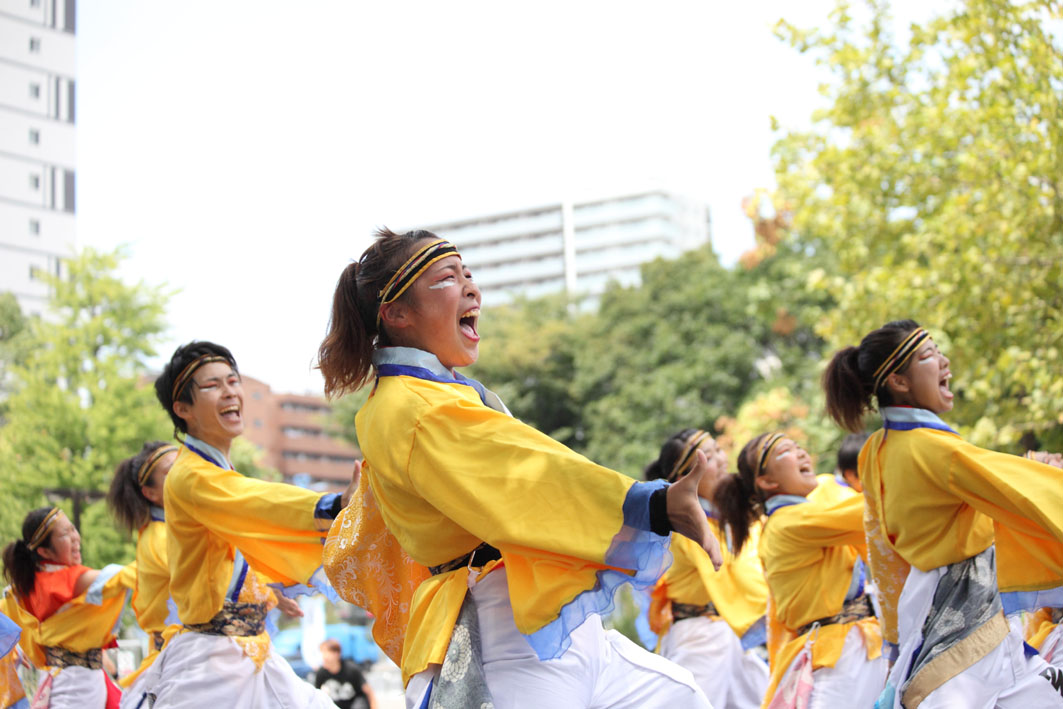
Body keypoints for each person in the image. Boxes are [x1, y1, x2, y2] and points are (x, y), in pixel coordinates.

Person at [318, 229, 718, 708]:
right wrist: (651, 503)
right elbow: (525, 472)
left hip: (544, 615)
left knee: (681, 696)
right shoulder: (409, 407)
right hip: (503, 630)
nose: (471, 288)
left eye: (468, 274)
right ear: (397, 313)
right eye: (448, 278)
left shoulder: (438, 396)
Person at [823, 319, 1063, 707]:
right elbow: (1022, 489)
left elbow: (882, 549)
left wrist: (895, 635)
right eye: (929, 355)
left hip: (922, 600)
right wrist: (1047, 469)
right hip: (963, 601)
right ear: (899, 381)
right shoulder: (934, 449)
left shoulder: (875, 450)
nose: (945, 361)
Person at [133, 341, 347, 708]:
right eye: (214, 385)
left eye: (233, 381)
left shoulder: (217, 475)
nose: (231, 391)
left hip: (251, 654)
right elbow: (257, 503)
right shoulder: (191, 476)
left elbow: (235, 551)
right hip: (211, 665)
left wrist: (267, 591)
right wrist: (333, 505)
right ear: (182, 408)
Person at [714, 433, 887, 708]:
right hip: (837, 656)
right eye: (786, 451)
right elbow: (869, 513)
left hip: (849, 648)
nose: (802, 453)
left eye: (799, 447)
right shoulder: (788, 521)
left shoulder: (800, 516)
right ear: (768, 481)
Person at [646, 429, 770, 708]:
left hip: (728, 630)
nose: (723, 460)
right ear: (685, 479)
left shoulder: (721, 518)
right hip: (700, 637)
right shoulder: (684, 527)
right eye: (710, 456)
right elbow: (733, 574)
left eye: (717, 451)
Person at [1, 507, 132, 708]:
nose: (75, 538)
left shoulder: (28, 586)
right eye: (65, 534)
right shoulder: (55, 582)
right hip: (73, 689)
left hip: (81, 683)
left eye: (73, 529)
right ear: (44, 551)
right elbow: (122, 576)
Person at [314, 639, 377, 709]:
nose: (323, 656)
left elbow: (368, 691)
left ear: (337, 654)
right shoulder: (321, 673)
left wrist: (373, 706)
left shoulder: (351, 669)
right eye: (322, 652)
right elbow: (316, 696)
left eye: (326, 652)